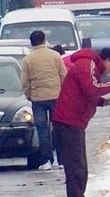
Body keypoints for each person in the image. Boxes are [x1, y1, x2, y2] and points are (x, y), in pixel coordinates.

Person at [52, 48, 110, 197]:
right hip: (69, 121)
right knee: (76, 167)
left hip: (75, 122)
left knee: (79, 167)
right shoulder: (87, 64)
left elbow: (85, 93)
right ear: (107, 60)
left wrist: (103, 102)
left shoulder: (92, 66)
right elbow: (91, 88)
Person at [20, 30, 67, 171]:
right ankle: (61, 160)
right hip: (56, 96)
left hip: (38, 98)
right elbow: (63, 75)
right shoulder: (55, 55)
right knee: (58, 128)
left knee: (42, 130)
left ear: (31, 43)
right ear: (44, 40)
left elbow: (24, 82)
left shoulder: (28, 59)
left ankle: (47, 160)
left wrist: (29, 95)